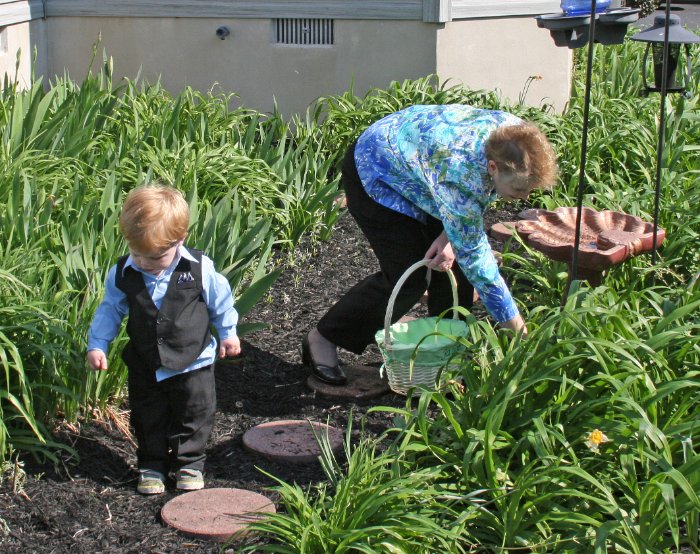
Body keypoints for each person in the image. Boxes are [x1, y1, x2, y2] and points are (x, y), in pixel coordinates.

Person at [302, 104, 558, 385]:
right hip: (377, 170)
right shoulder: (461, 174)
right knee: (409, 274)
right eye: (520, 190)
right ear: (492, 167)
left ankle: (444, 352)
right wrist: (521, 336)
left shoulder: (515, 140)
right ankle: (324, 337)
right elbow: (483, 269)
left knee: (455, 267)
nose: (524, 198)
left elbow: (473, 199)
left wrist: (449, 236)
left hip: (423, 166)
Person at [87, 183, 241, 494]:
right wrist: (98, 344)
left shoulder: (198, 268)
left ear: (180, 240)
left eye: (155, 257)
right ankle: (151, 465)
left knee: (195, 414)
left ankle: (190, 463)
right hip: (147, 364)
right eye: (137, 254)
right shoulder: (123, 273)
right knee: (147, 417)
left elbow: (220, 301)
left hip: (193, 360)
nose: (144, 263)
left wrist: (228, 333)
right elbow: (109, 311)